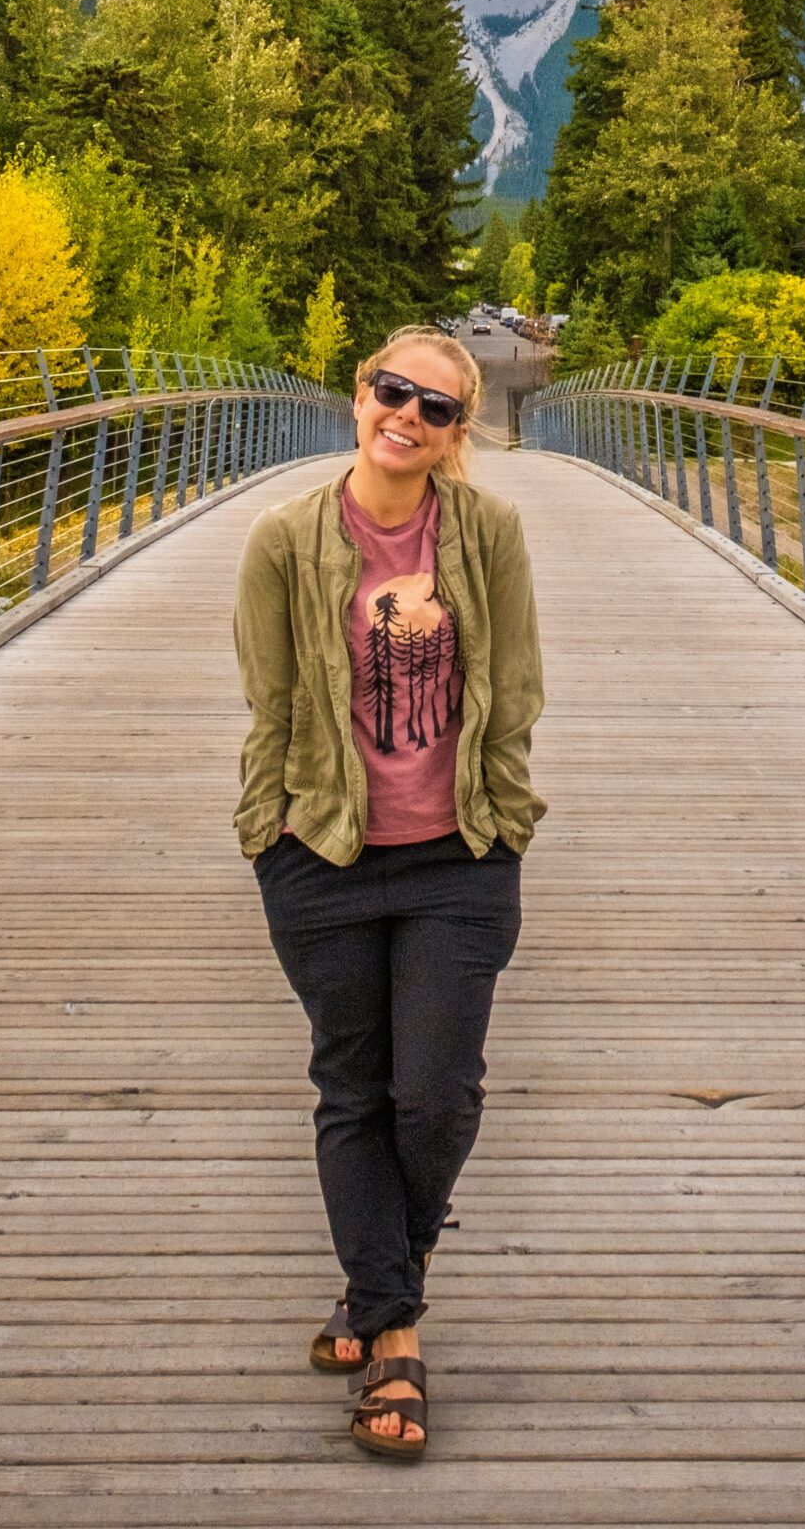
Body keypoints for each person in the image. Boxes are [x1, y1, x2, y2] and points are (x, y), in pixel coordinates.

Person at [234, 325, 545, 1461]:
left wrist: (506, 815)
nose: (405, 415)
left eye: (436, 406)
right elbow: (268, 704)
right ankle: (394, 1334)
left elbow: (514, 686)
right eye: (391, 391)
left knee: (436, 1095)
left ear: (458, 432)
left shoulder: (488, 530)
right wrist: (264, 831)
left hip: (456, 854)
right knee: (353, 1087)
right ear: (357, 393)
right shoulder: (282, 539)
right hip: (318, 849)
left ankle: (374, 1290)